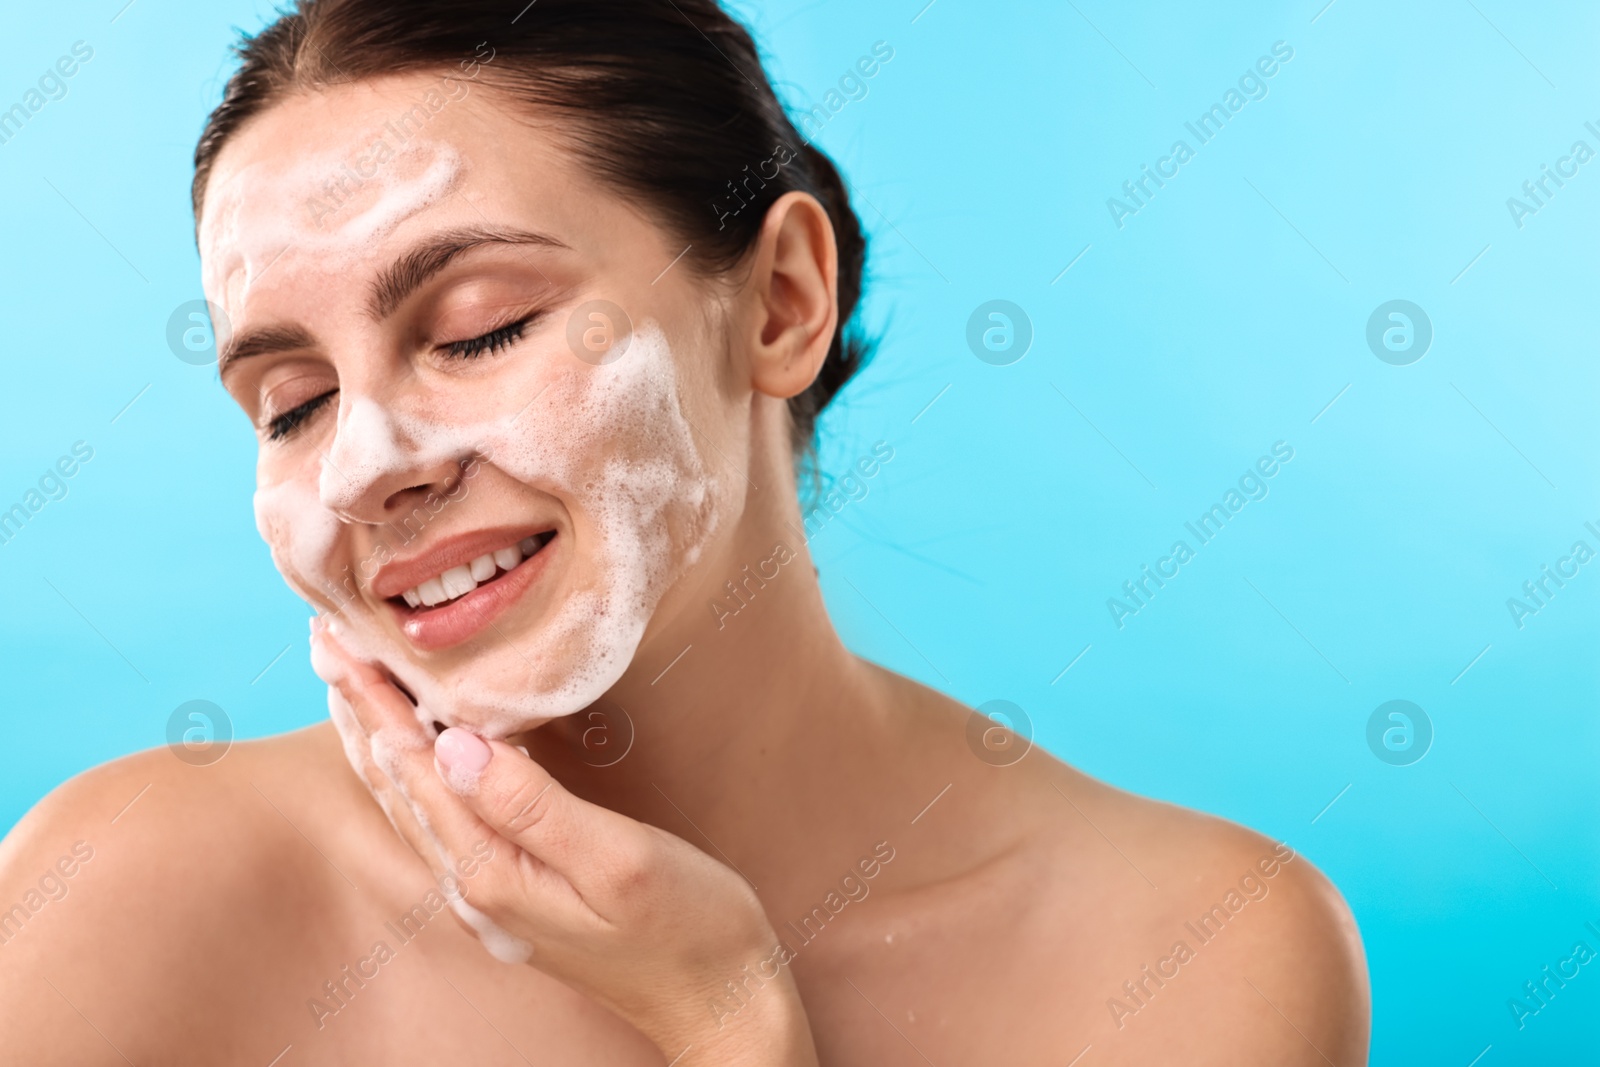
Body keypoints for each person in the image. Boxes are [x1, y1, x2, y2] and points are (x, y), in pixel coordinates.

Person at [0, 1, 1370, 1062]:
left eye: (481, 328)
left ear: (778, 301)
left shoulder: (1199, 953)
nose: (365, 466)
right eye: (290, 404)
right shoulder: (120, 899)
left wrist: (731, 1024)